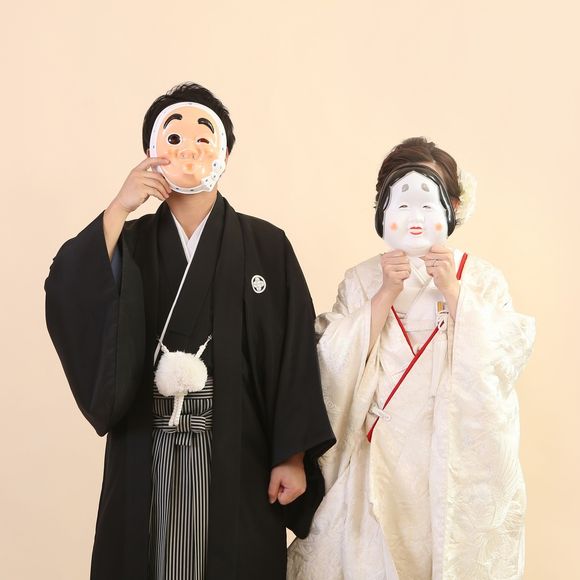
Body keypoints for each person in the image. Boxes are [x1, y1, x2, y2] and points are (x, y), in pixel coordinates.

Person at [45, 82, 335, 580]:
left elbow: (294, 353)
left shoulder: (266, 245)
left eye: (204, 138)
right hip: (146, 439)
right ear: (151, 153)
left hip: (238, 447)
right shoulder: (129, 239)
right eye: (174, 138)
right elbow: (69, 288)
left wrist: (291, 454)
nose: (189, 150)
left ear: (226, 154)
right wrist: (119, 207)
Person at [288, 137, 535, 579]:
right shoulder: (364, 279)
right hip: (376, 451)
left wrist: (454, 293)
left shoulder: (480, 278)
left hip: (449, 451)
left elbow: (506, 353)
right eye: (402, 202)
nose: (415, 217)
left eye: (428, 202)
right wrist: (384, 294)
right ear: (383, 207)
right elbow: (328, 357)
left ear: (453, 206)